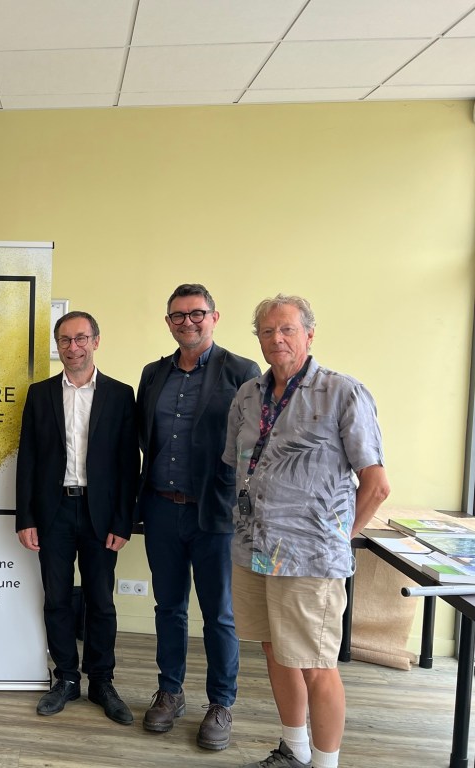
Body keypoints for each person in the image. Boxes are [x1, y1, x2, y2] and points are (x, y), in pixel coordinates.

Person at [224, 294, 390, 768]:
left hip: (309, 559)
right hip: (253, 549)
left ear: (309, 334)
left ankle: (325, 763)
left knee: (317, 664)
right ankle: (293, 749)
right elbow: (238, 466)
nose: (276, 338)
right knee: (275, 651)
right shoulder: (248, 395)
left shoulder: (343, 392)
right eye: (267, 331)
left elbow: (376, 485)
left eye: (287, 329)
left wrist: (337, 538)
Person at [134, 284, 260, 749]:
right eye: (178, 315)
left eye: (196, 313)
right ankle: (170, 692)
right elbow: (142, 437)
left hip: (215, 512)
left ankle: (221, 703)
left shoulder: (242, 371)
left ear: (214, 317)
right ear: (168, 322)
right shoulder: (153, 374)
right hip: (161, 509)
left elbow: (255, 444)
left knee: (219, 614)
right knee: (168, 607)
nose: (187, 322)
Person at [15, 310, 139, 725]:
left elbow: (129, 464)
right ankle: (66, 678)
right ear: (58, 346)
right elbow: (28, 459)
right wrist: (25, 517)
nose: (73, 347)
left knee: (101, 600)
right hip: (53, 512)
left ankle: (101, 680)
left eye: (81, 338)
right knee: (57, 598)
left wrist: (123, 521)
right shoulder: (40, 394)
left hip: (101, 514)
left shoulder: (120, 395)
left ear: (95, 341)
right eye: (65, 340)